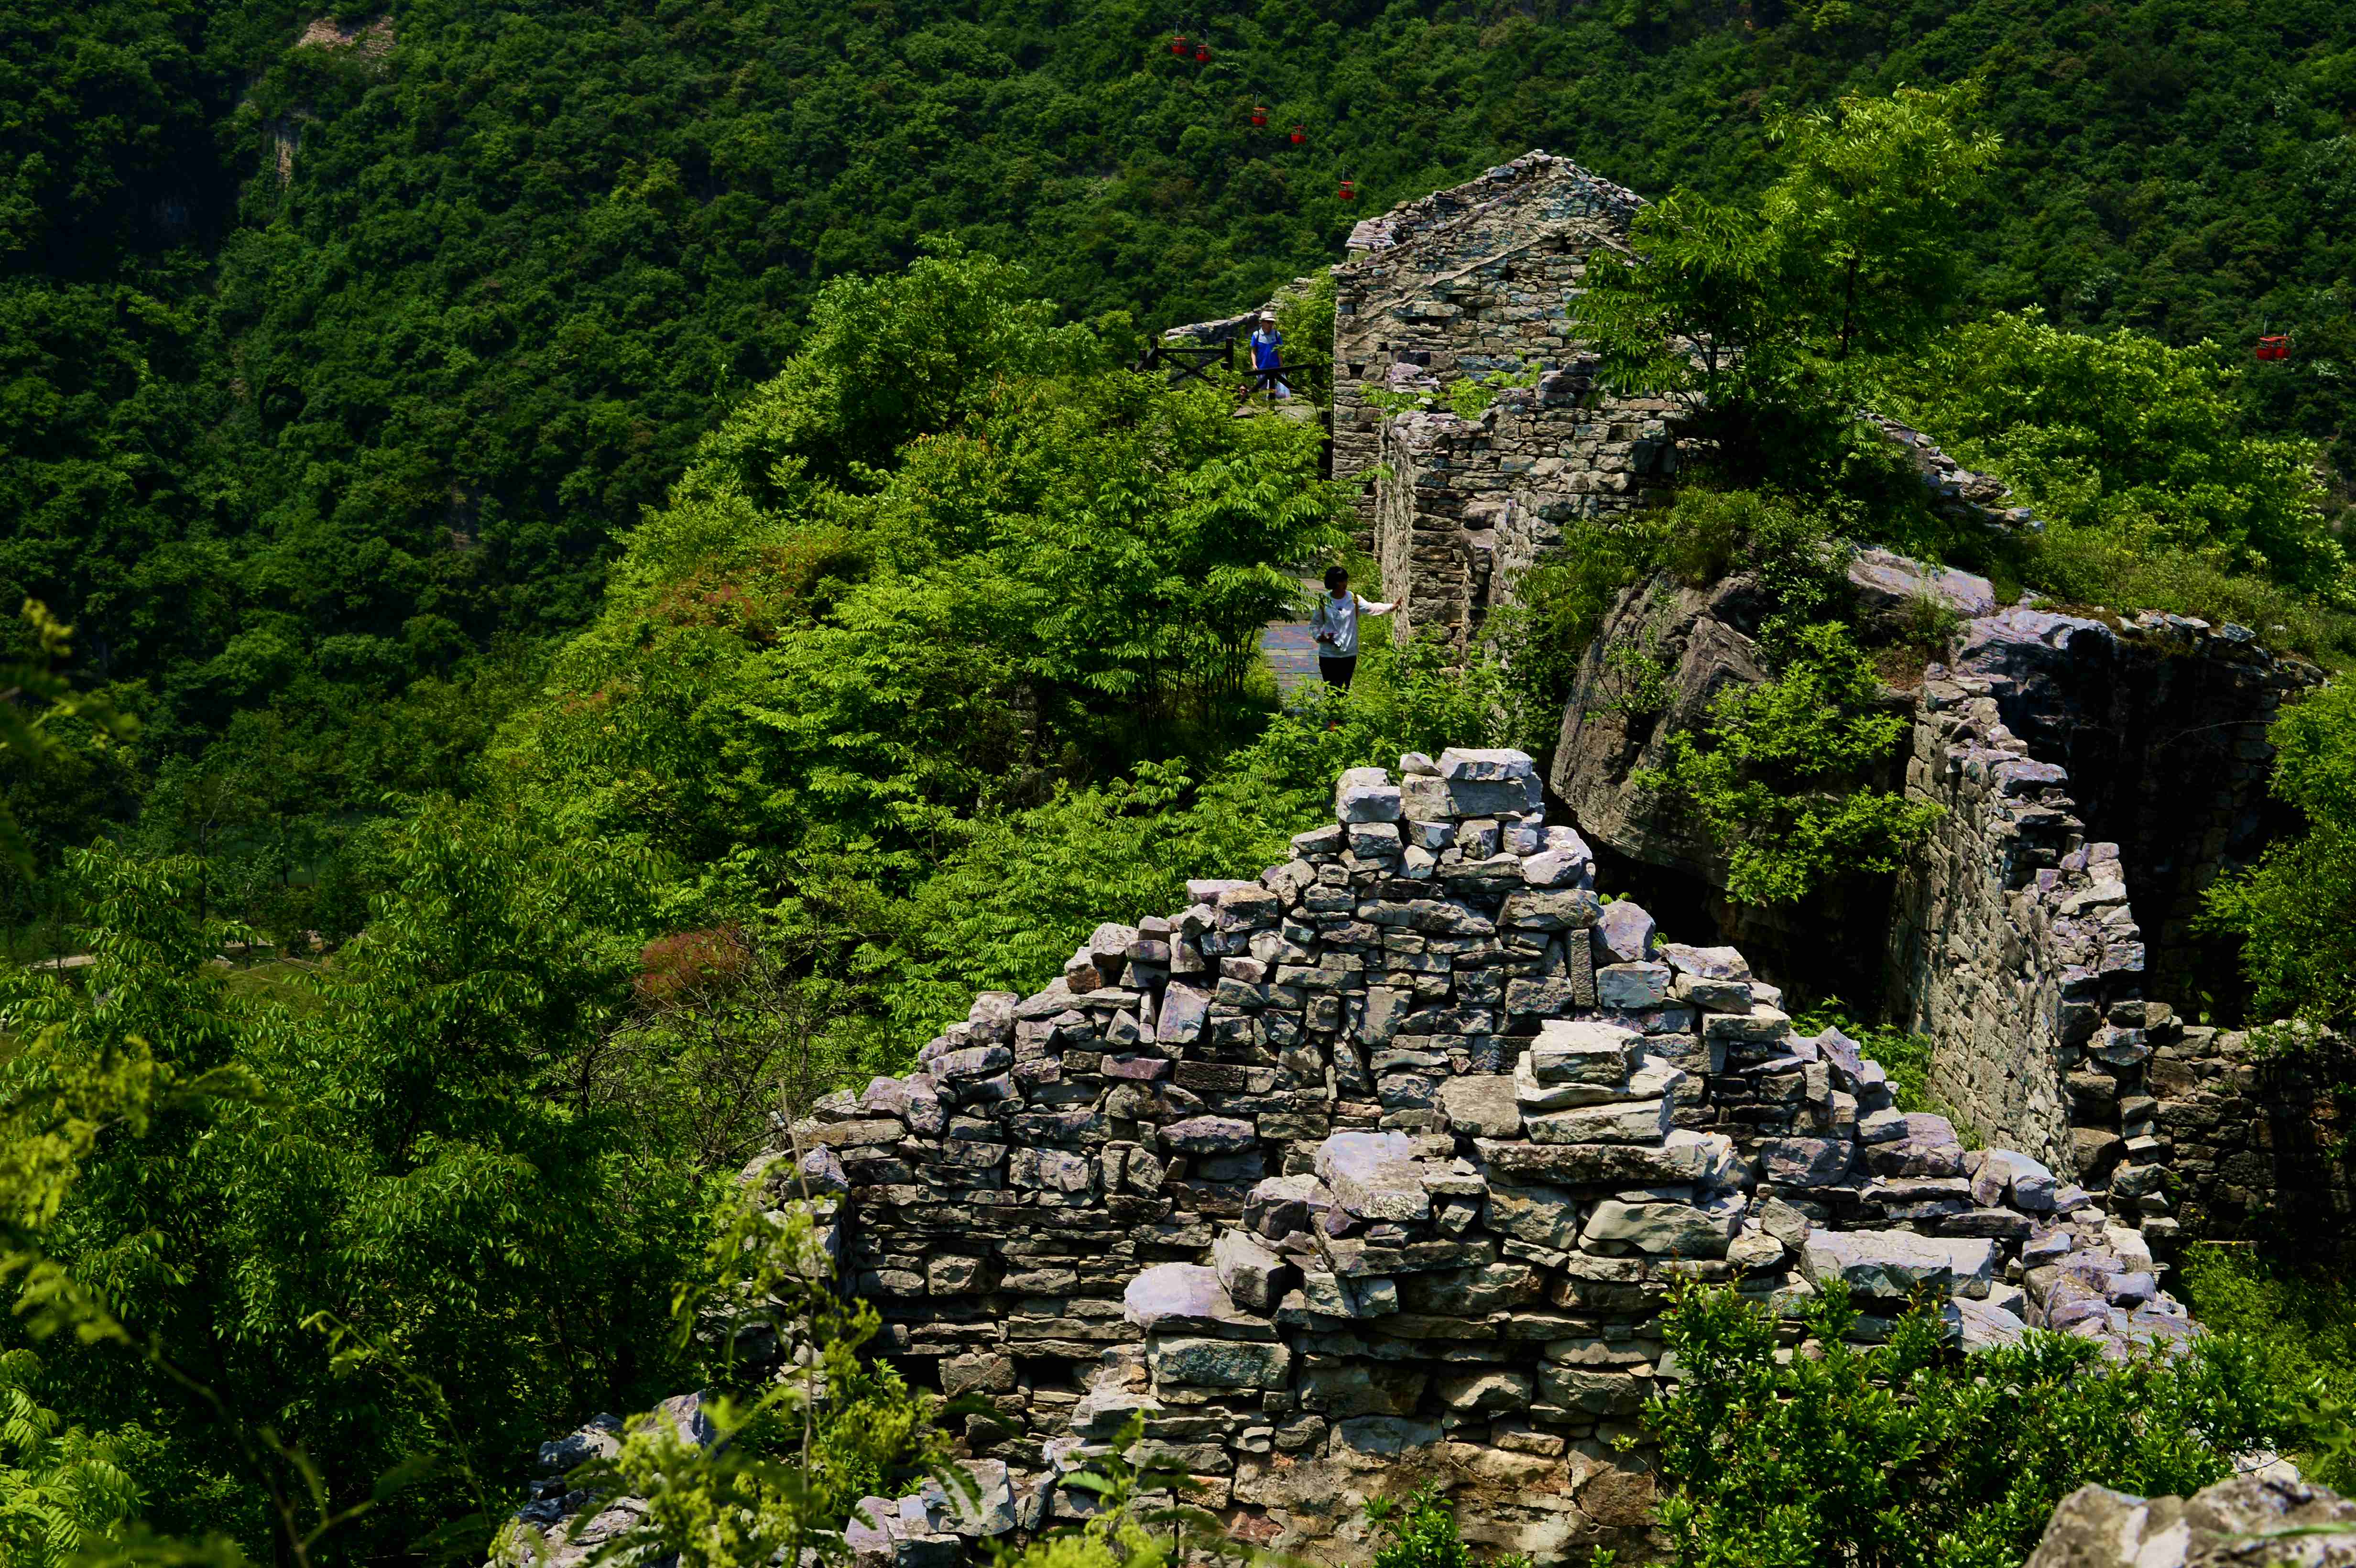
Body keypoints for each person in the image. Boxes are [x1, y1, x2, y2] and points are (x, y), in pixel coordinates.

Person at [1309, 566, 1394, 699]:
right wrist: (1321, 637)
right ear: (1333, 583)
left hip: (1349, 653)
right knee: (1331, 689)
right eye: (1341, 581)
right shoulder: (1323, 601)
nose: (1344, 584)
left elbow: (1371, 608)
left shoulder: (1354, 599)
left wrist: (1390, 607)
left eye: (1345, 581)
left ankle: (1340, 718)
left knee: (1345, 687)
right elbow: (1315, 625)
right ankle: (1333, 719)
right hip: (1328, 654)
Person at [1246, 311, 1290, 400]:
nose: (1271, 324)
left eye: (1272, 322)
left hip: (1275, 367)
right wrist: (1254, 364)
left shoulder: (1277, 335)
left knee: (1274, 390)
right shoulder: (1256, 335)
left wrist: (1281, 366)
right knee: (1263, 390)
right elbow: (1253, 351)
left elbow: (1279, 351)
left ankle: (1273, 408)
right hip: (1262, 367)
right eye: (1268, 322)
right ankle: (1264, 409)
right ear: (1262, 322)